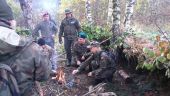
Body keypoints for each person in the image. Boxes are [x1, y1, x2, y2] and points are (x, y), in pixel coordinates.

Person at [0, 1, 51, 95]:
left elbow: (55, 29)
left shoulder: (51, 23)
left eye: (47, 15)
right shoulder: (31, 49)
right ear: (11, 22)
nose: (46, 17)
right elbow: (44, 76)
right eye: (44, 16)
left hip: (49, 39)